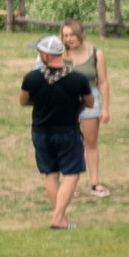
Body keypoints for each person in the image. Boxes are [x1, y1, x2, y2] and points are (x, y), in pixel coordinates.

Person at [23, 35, 91, 228]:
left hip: (40, 131)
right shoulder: (77, 78)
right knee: (71, 173)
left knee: (51, 174)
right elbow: (89, 102)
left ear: (46, 55)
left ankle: (59, 218)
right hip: (67, 130)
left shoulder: (32, 78)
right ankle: (58, 218)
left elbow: (23, 100)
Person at [59, 21, 106, 197]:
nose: (69, 39)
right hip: (65, 101)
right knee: (68, 142)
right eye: (65, 35)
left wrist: (105, 108)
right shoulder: (60, 55)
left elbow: (103, 82)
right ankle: (69, 184)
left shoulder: (96, 54)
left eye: (72, 34)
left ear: (82, 34)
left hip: (90, 99)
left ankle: (95, 182)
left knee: (90, 142)